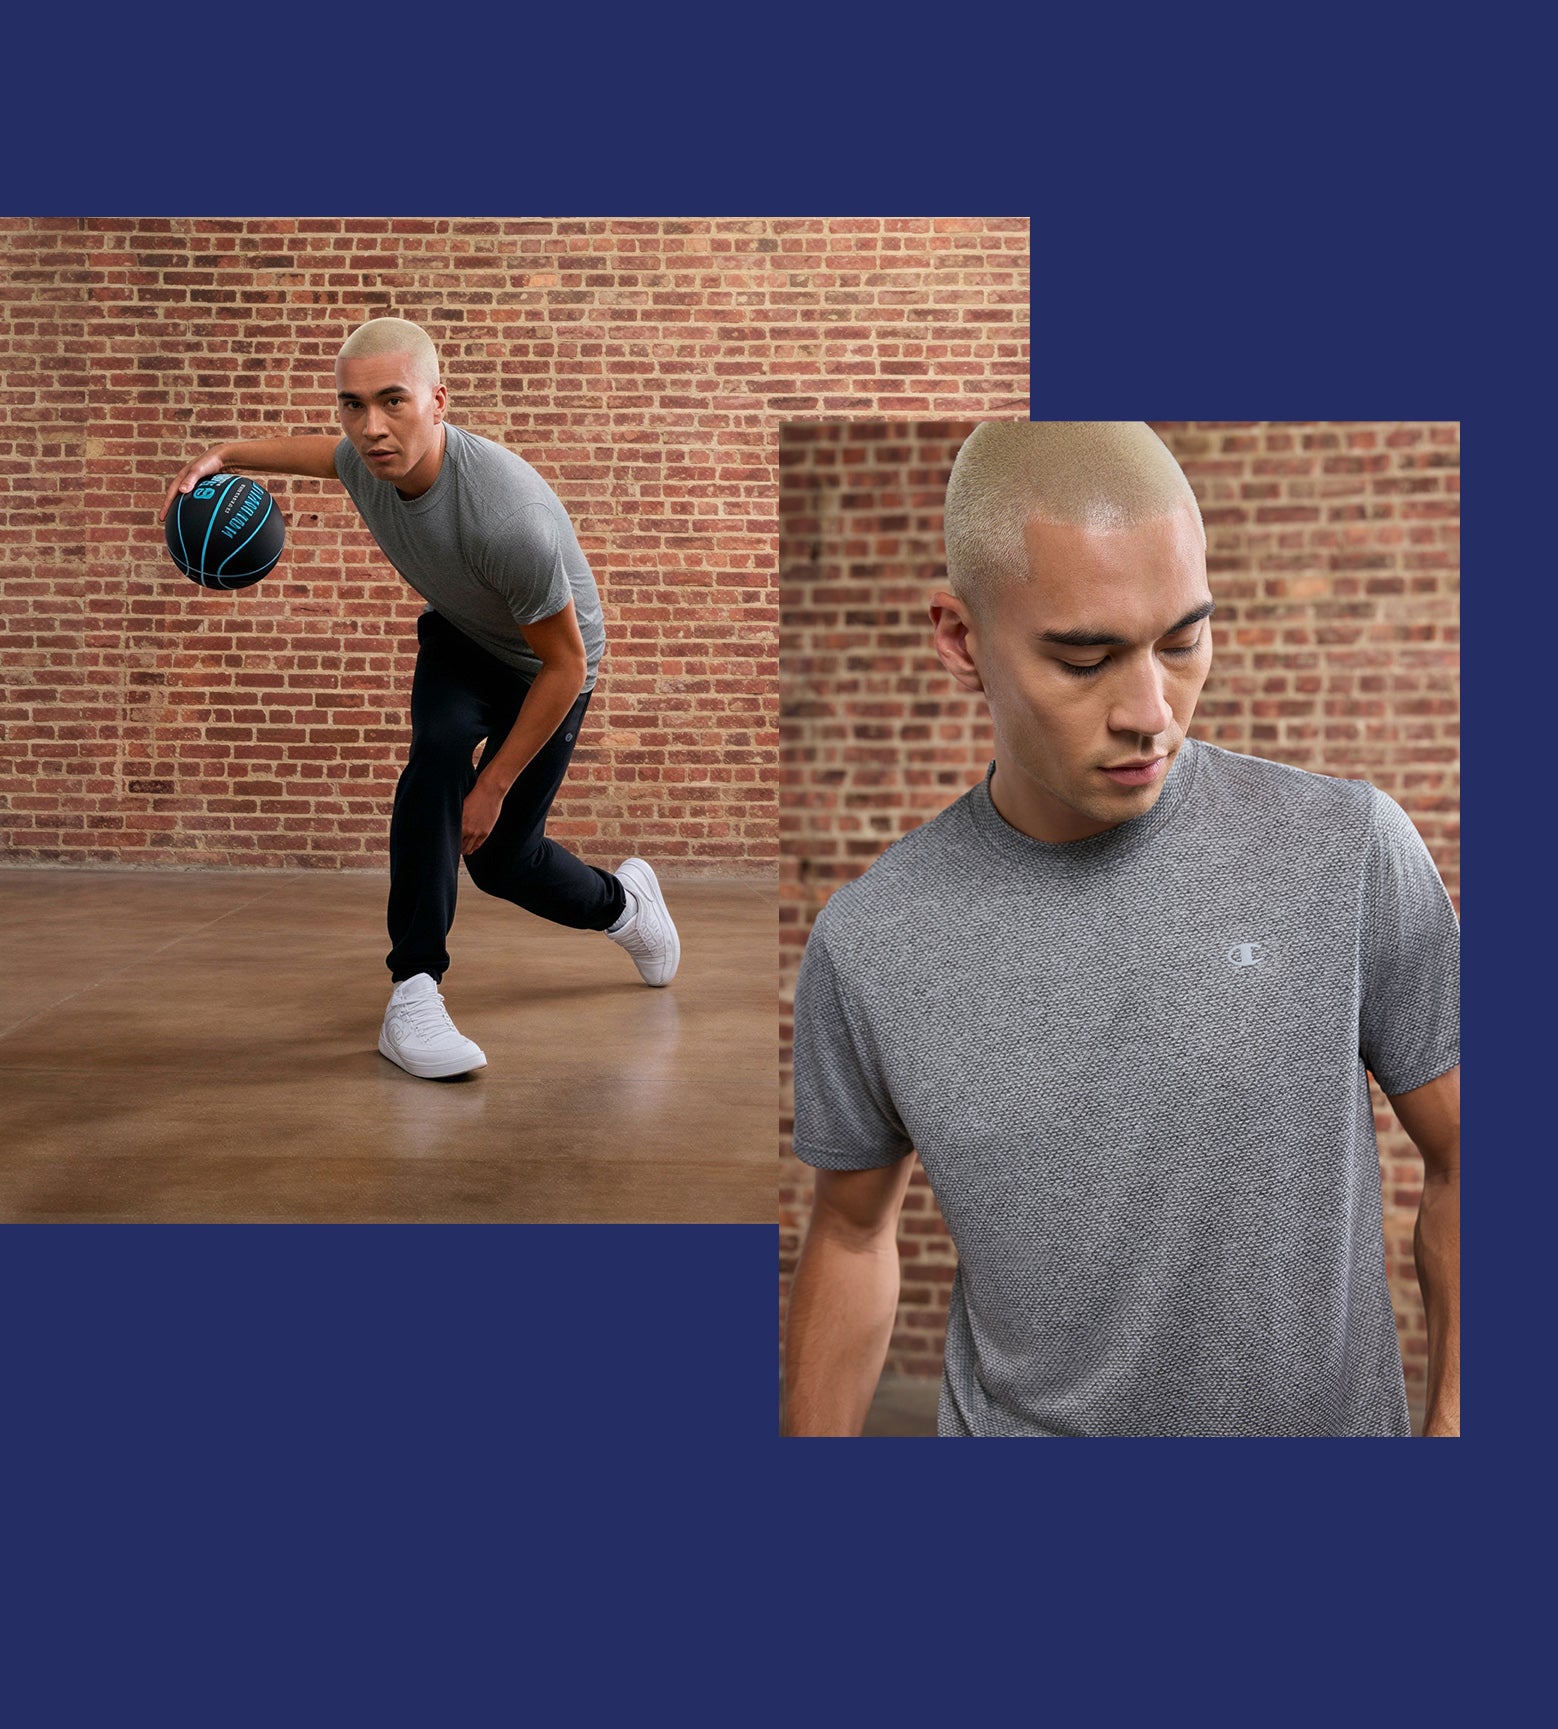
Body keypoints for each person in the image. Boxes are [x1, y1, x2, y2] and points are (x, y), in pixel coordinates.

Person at [785, 421, 1460, 1438]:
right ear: (960, 640)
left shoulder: (1346, 849)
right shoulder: (870, 942)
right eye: (1085, 658)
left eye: (1182, 641)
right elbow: (848, 1233)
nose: (1151, 712)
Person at [160, 317, 679, 1079]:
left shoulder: (508, 520)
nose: (371, 427)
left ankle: (624, 907)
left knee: (502, 862)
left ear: (438, 401)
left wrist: (492, 786)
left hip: (545, 668)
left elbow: (565, 665)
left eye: (393, 401)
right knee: (436, 756)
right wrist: (226, 455)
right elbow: (325, 457)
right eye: (353, 405)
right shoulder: (370, 456)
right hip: (463, 638)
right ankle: (414, 989)